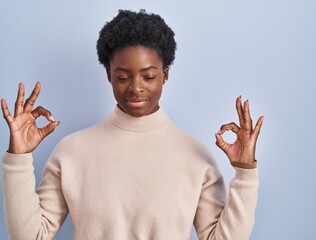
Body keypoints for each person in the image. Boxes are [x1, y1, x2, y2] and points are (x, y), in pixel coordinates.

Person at [1, 9, 264, 240]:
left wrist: (245, 173)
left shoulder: (196, 158)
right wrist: (18, 158)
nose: (136, 88)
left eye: (149, 76)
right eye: (123, 77)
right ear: (108, 76)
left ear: (165, 75)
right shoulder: (71, 152)